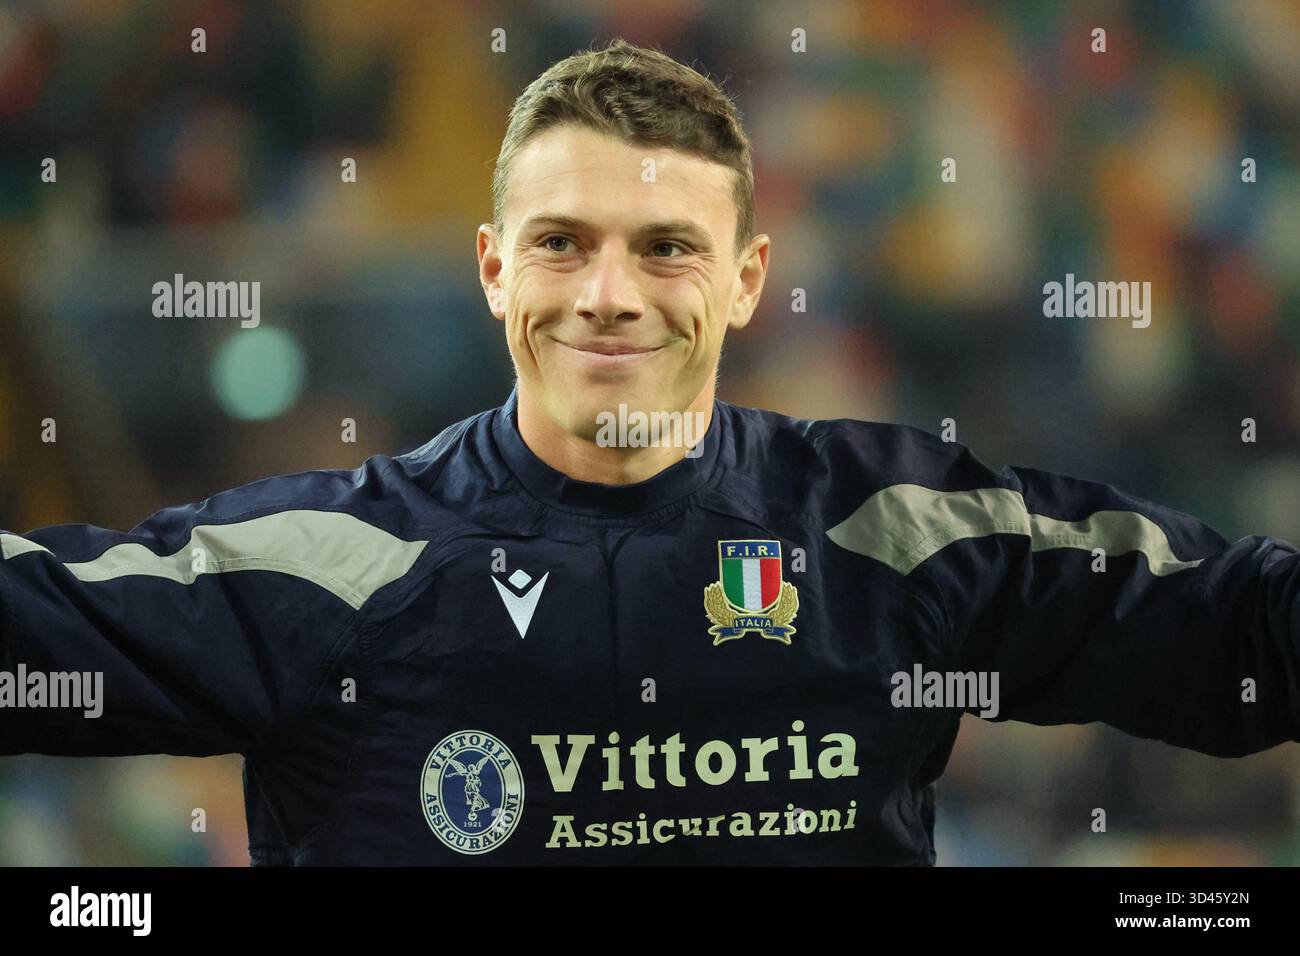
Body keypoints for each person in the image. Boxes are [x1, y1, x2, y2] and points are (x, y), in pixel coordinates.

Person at [1, 39, 1296, 866]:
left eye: (667, 248)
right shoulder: (329, 571)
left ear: (746, 280)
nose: (609, 293)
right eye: (562, 242)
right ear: (494, 271)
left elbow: (1247, 637)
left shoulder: (897, 534)